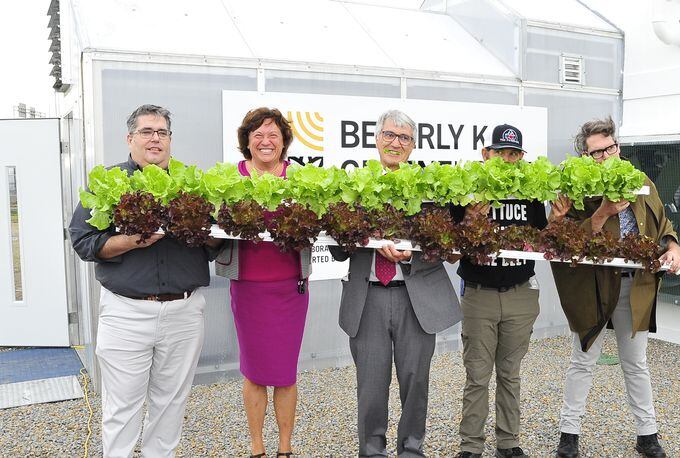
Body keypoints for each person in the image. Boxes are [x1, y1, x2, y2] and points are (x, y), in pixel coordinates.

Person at [69, 104, 221, 457]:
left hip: (184, 311)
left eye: (162, 132)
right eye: (147, 131)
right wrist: (133, 239)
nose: (155, 139)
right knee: (122, 407)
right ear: (130, 138)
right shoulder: (108, 182)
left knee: (171, 404)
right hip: (127, 313)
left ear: (170, 139)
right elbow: (83, 241)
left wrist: (206, 231)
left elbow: (216, 243)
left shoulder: (194, 184)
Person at [328, 109, 462, 457]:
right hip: (368, 298)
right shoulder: (353, 186)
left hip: (416, 300)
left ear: (413, 146)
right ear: (375, 139)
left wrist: (413, 251)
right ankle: (372, 451)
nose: (395, 143)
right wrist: (363, 238)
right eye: (389, 135)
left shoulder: (430, 188)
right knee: (371, 387)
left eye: (404, 138)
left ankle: (411, 450)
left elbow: (446, 244)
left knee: (416, 383)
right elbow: (338, 250)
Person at [551, 116, 680, 458]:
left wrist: (673, 247)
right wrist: (602, 213)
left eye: (608, 149)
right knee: (583, 359)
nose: (603, 157)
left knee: (635, 363)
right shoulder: (578, 189)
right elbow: (564, 243)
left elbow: (664, 223)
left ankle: (647, 435)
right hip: (593, 286)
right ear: (586, 157)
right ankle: (569, 435)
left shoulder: (642, 182)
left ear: (618, 147)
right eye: (595, 153)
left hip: (634, 285)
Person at [450, 125, 565, 458]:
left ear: (521, 158)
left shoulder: (529, 193)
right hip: (479, 294)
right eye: (500, 152)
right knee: (477, 374)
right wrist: (472, 217)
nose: (507, 159)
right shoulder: (468, 190)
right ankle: (470, 446)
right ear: (486, 154)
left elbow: (544, 242)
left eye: (513, 153)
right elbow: (453, 245)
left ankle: (508, 443)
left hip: (520, 294)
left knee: (510, 373)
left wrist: (556, 219)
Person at [214, 107, 312, 458]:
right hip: (249, 287)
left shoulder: (302, 179)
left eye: (273, 134)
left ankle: (285, 447)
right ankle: (257, 447)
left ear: (284, 140)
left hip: (290, 288)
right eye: (258, 135)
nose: (266, 141)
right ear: (247, 141)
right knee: (254, 372)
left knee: (286, 373)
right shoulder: (231, 178)